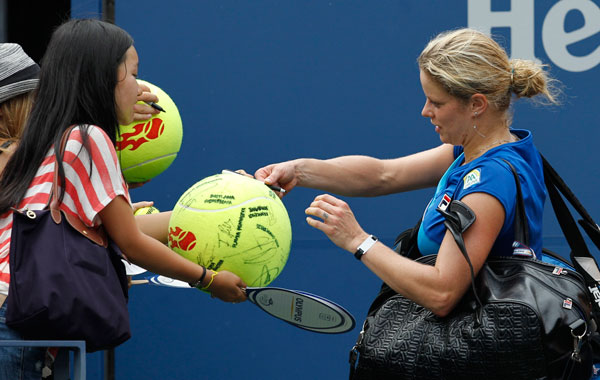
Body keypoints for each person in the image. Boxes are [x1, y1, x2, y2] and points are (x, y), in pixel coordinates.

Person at [0, 19, 246, 379]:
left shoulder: (48, 150)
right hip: (16, 317)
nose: (141, 87)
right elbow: (131, 241)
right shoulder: (84, 140)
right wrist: (208, 279)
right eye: (133, 74)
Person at [255, 28, 559, 318]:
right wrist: (298, 170)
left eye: (437, 102)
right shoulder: (485, 149)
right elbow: (384, 174)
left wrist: (358, 240)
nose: (425, 111)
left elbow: (442, 292)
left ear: (477, 104)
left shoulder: (489, 181)